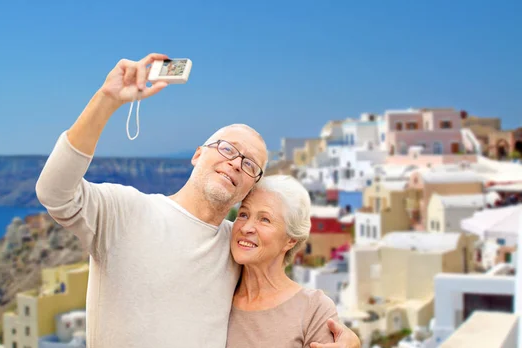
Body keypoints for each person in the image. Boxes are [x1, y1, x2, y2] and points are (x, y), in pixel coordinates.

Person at [35, 53, 360, 348]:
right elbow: (54, 192)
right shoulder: (126, 210)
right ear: (197, 154)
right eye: (227, 148)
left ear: (249, 188)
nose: (235, 162)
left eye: (250, 164)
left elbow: (281, 300)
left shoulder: (237, 247)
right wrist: (106, 100)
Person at [226, 175, 342, 347]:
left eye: (264, 219)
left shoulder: (313, 309)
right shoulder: (218, 294)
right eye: (243, 214)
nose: (246, 227)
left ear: (290, 240)